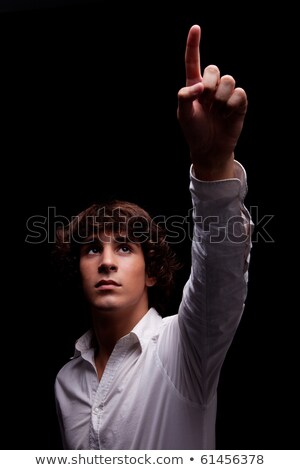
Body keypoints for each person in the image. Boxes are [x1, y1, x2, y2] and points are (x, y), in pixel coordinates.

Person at [54, 24, 253, 450]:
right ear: (79, 269)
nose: (107, 261)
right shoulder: (65, 382)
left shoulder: (182, 350)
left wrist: (213, 164)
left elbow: (219, 275)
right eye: (93, 249)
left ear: (151, 273)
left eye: (125, 247)